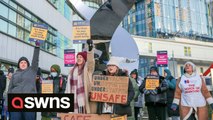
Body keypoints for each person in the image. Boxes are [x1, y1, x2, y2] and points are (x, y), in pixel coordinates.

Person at [8, 43, 40, 120]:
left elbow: (35, 59)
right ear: (18, 64)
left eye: (25, 62)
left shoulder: (32, 71)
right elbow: (10, 89)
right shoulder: (15, 74)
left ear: (28, 64)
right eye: (21, 62)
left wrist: (37, 47)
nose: (23, 64)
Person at [65, 39, 97, 114]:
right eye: (78, 57)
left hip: (84, 100)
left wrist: (90, 49)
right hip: (73, 100)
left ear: (84, 59)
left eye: (81, 57)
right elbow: (67, 87)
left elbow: (90, 61)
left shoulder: (87, 69)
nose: (79, 58)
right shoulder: (71, 71)